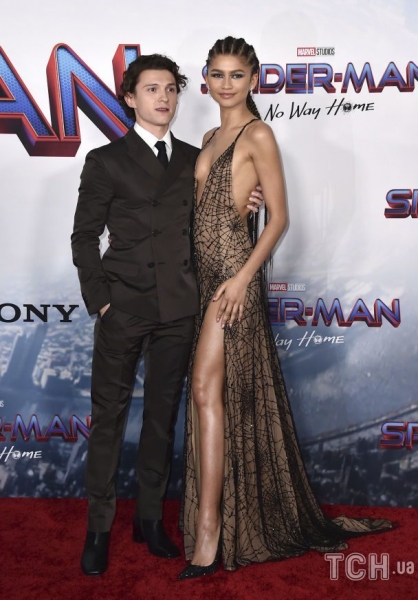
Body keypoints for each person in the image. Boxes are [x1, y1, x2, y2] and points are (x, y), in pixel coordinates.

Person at [178, 36, 392, 580]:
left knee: (203, 390)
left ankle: (210, 530)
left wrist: (242, 279)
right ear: (207, 80)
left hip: (233, 281)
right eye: (217, 74)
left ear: (254, 80)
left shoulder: (259, 134)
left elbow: (279, 218)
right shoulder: (208, 136)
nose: (226, 84)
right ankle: (219, 520)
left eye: (236, 75)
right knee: (213, 397)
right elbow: (208, 209)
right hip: (206, 280)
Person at [71, 53, 262, 576]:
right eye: (152, 89)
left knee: (161, 417)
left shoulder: (194, 159)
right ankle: (99, 527)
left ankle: (150, 519)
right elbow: (84, 238)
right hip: (124, 307)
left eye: (171, 89)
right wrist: (102, 301)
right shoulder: (105, 160)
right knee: (108, 419)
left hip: (179, 306)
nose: (163, 97)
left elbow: (215, 216)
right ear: (130, 99)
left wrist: (246, 200)